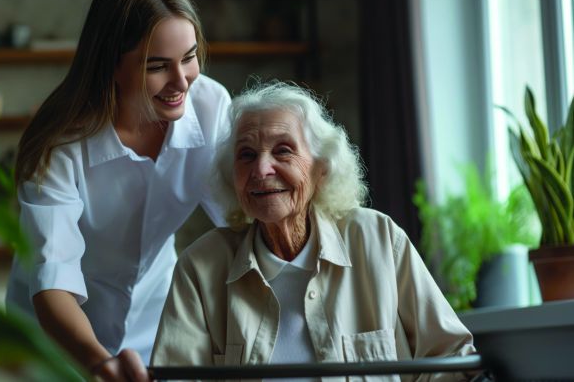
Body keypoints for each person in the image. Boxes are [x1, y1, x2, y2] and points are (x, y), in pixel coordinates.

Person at [151, 81, 476, 380]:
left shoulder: (378, 240)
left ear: (321, 168)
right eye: (246, 155)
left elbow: (451, 357)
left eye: (283, 150)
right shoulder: (201, 267)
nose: (261, 169)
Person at [5, 0, 231, 381]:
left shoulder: (212, 106)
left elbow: (239, 223)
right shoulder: (60, 144)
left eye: (189, 57)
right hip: (56, 332)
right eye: (157, 66)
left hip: (154, 318)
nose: (182, 81)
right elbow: (53, 279)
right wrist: (98, 362)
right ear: (111, 65)